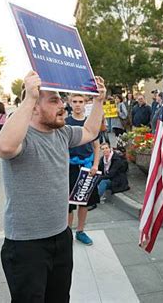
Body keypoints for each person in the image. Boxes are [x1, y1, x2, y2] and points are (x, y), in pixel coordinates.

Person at [0, 71, 105, 302]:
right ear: (35, 106)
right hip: (26, 245)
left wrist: (98, 101)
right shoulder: (23, 137)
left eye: (61, 100)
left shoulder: (62, 133)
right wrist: (28, 98)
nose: (63, 106)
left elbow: (90, 131)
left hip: (61, 236)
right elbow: (4, 148)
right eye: (54, 100)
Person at [66, 94, 101, 246]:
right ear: (70, 103)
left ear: (85, 103)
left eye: (81, 102)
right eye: (75, 102)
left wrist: (95, 165)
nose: (78, 104)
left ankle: (80, 231)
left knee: (84, 202)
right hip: (68, 167)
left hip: (87, 167)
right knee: (68, 204)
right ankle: (66, 234)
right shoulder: (65, 122)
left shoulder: (90, 121)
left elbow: (96, 146)